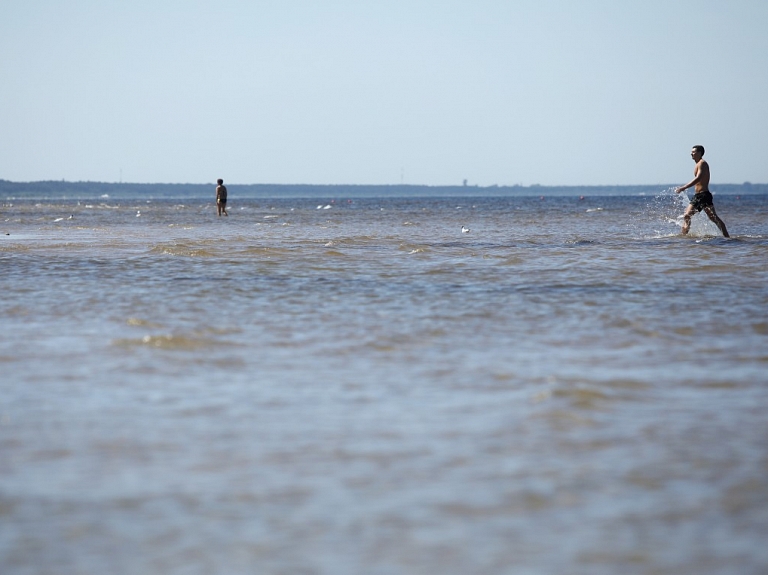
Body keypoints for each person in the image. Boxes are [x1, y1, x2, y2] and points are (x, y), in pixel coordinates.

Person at [675, 145, 729, 237]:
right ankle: (727, 237)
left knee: (687, 216)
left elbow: (698, 178)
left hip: (702, 195)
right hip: (702, 195)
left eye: (694, 152)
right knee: (713, 218)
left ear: (700, 153)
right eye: (691, 152)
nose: (691, 154)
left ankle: (683, 237)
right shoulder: (698, 164)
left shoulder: (702, 163)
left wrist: (683, 187)